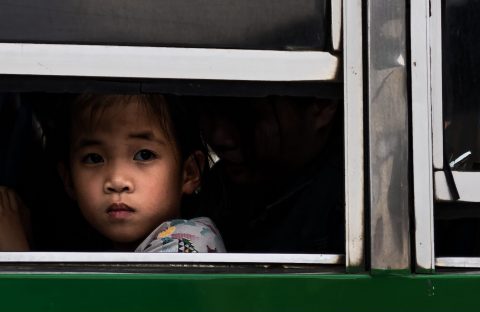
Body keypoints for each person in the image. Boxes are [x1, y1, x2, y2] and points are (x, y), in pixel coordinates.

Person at [0, 94, 225, 253]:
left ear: (188, 173)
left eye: (144, 155)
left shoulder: (188, 242)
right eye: (94, 158)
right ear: (68, 180)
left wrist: (15, 254)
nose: (117, 181)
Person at [197, 95, 344, 253]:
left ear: (322, 105)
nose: (219, 137)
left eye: (246, 115)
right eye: (208, 113)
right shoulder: (218, 188)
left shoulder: (352, 212)